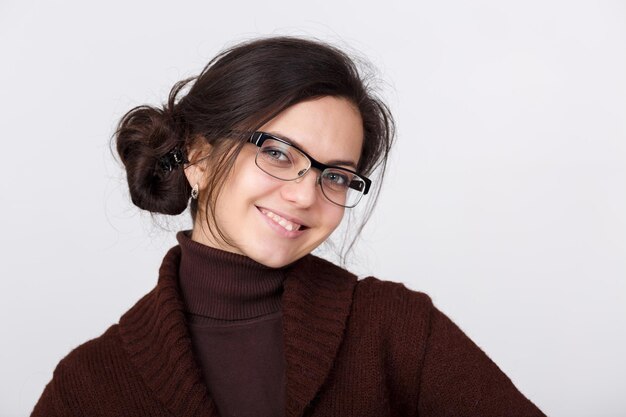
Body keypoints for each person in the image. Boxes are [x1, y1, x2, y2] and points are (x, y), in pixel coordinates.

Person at [31, 36, 545, 417]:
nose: (304, 195)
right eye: (277, 153)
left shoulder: (397, 329)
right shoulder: (88, 384)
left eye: (337, 175)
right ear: (198, 155)